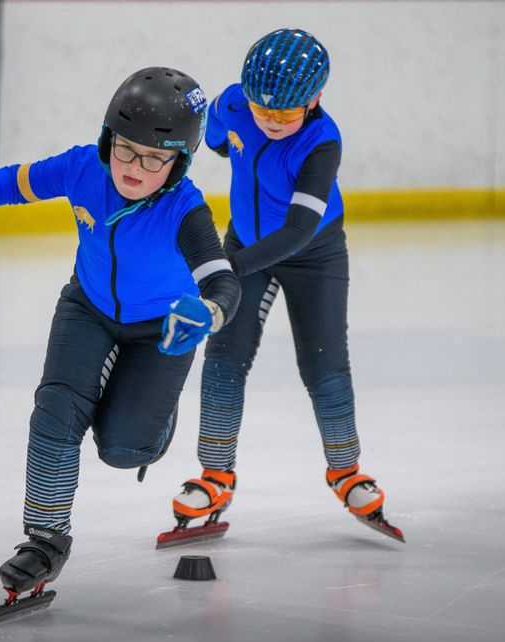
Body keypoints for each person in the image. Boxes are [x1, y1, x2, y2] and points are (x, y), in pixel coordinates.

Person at [0, 68, 241, 611]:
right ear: (108, 141)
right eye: (125, 149)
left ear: (180, 163)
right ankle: (45, 540)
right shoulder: (84, 168)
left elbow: (221, 280)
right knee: (56, 410)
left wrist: (210, 313)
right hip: (89, 308)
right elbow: (14, 183)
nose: (134, 167)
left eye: (155, 158)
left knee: (125, 450)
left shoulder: (185, 209)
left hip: (165, 330)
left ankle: (154, 421)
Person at [163, 29, 403, 546]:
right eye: (261, 111)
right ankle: (215, 474)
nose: (270, 121)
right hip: (244, 244)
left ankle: (345, 470)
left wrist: (229, 267)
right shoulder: (234, 104)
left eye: (285, 114)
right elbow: (218, 139)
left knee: (324, 362)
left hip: (313, 253)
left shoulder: (322, 142)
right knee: (225, 355)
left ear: (314, 98)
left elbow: (297, 231)